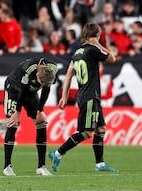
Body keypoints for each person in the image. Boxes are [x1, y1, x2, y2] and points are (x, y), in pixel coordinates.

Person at [49, 23, 119, 173]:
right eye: (99, 34)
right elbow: (113, 58)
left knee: (101, 129)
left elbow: (68, 74)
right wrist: (99, 44)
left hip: (86, 95)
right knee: (86, 132)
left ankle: (100, 164)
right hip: (90, 96)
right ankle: (57, 153)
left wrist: (64, 96)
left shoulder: (77, 52)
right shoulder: (94, 50)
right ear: (97, 35)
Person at [3, 57, 58, 176]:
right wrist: (17, 113)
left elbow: (46, 90)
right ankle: (7, 166)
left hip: (30, 93)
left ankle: (41, 167)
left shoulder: (52, 69)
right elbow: (22, 91)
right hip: (14, 90)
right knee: (13, 123)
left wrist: (40, 110)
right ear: (37, 74)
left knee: (41, 123)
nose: (41, 85)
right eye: (40, 82)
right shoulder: (28, 69)